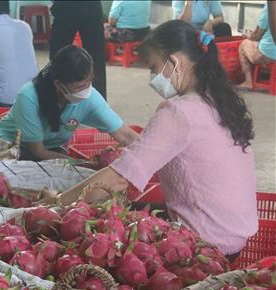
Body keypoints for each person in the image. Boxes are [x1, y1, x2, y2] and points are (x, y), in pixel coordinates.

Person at [53, 21, 257, 259]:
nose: (153, 77)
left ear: (174, 62)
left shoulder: (179, 112)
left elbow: (119, 179)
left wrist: (59, 203)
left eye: (154, 67)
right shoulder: (219, 100)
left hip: (203, 245)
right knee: (122, 214)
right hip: (232, 236)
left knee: (101, 234)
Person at [0, 45, 138, 162]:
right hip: (12, 148)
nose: (86, 90)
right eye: (79, 87)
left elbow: (124, 134)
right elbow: (36, 150)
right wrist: (83, 164)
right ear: (58, 85)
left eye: (89, 82)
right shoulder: (29, 97)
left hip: (51, 150)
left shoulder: (90, 98)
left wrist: (152, 153)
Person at [49, 1, 107, 99]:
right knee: (96, 55)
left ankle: (57, 99)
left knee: (58, 56)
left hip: (69, 5)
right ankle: (98, 101)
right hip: (92, 4)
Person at [237, 2, 276, 90]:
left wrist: (248, 36)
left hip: (268, 54)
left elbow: (257, 35)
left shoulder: (270, 6)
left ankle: (248, 82)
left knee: (244, 44)